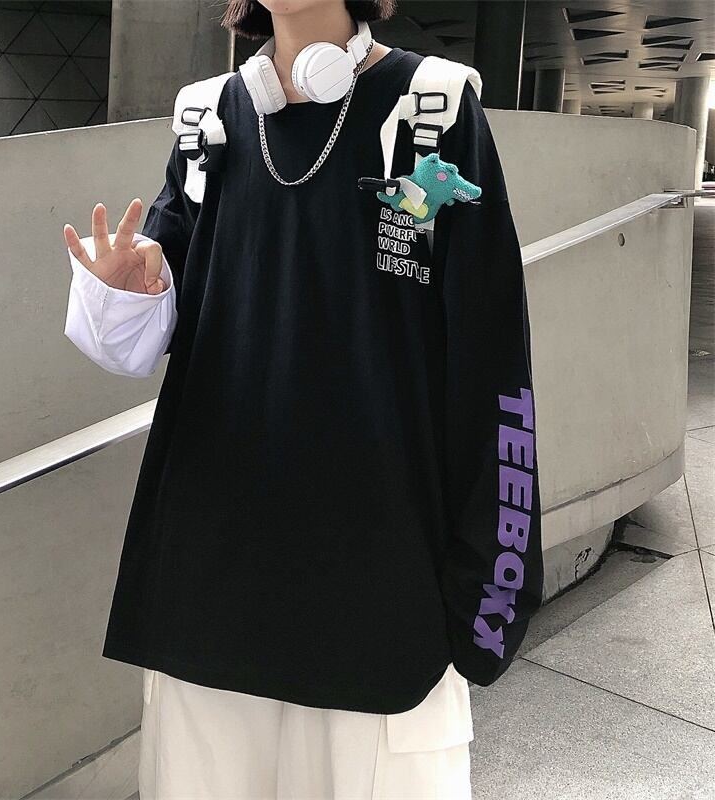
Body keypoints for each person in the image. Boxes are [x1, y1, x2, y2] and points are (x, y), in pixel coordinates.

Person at [62, 0, 544, 796]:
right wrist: (126, 291)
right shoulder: (209, 123)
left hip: (379, 599)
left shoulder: (433, 109)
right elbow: (155, 323)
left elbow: (490, 363)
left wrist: (492, 586)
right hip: (209, 592)